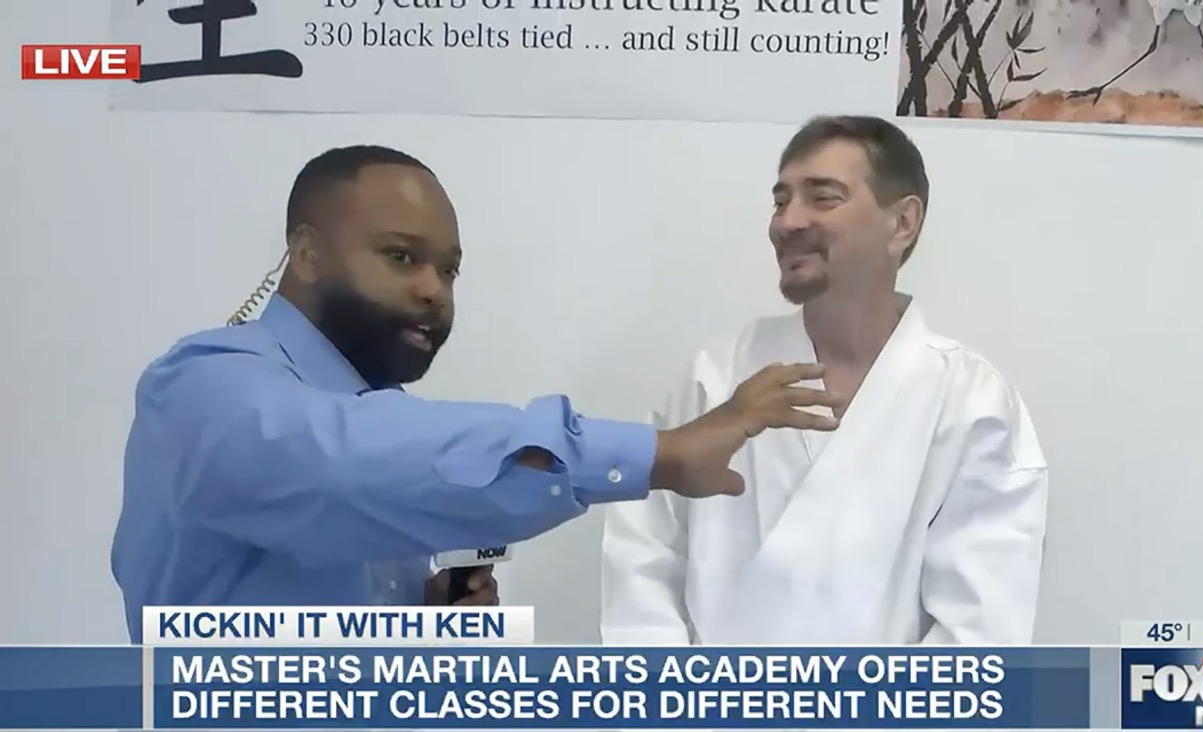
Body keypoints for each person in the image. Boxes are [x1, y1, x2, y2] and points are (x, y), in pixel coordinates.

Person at [110, 145, 842, 643]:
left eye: (450, 270)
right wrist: (660, 455)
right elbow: (338, 466)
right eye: (401, 256)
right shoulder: (202, 386)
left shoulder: (370, 414)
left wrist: (420, 621)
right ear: (305, 253)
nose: (434, 289)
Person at [599, 116, 1049, 647]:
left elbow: (979, 632)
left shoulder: (972, 404)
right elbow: (643, 564)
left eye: (823, 198)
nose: (787, 222)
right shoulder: (718, 376)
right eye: (780, 201)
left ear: (902, 223)